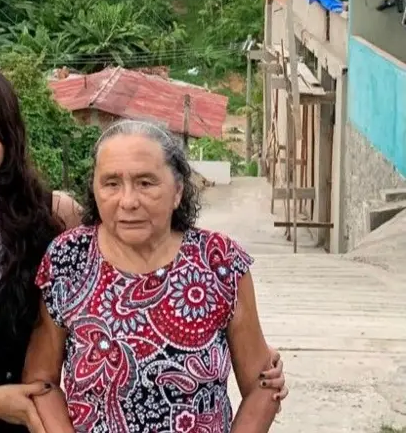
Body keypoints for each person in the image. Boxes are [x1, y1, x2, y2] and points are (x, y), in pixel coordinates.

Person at [0, 66, 286, 433]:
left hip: (23, 422)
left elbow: (120, 248)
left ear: (9, 135)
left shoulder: (53, 216)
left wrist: (260, 368)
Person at [24, 119, 284, 433]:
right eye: (111, 183)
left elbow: (263, 385)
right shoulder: (67, 259)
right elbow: (41, 382)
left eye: (146, 183)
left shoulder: (219, 261)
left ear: (177, 191)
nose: (128, 200)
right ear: (94, 189)